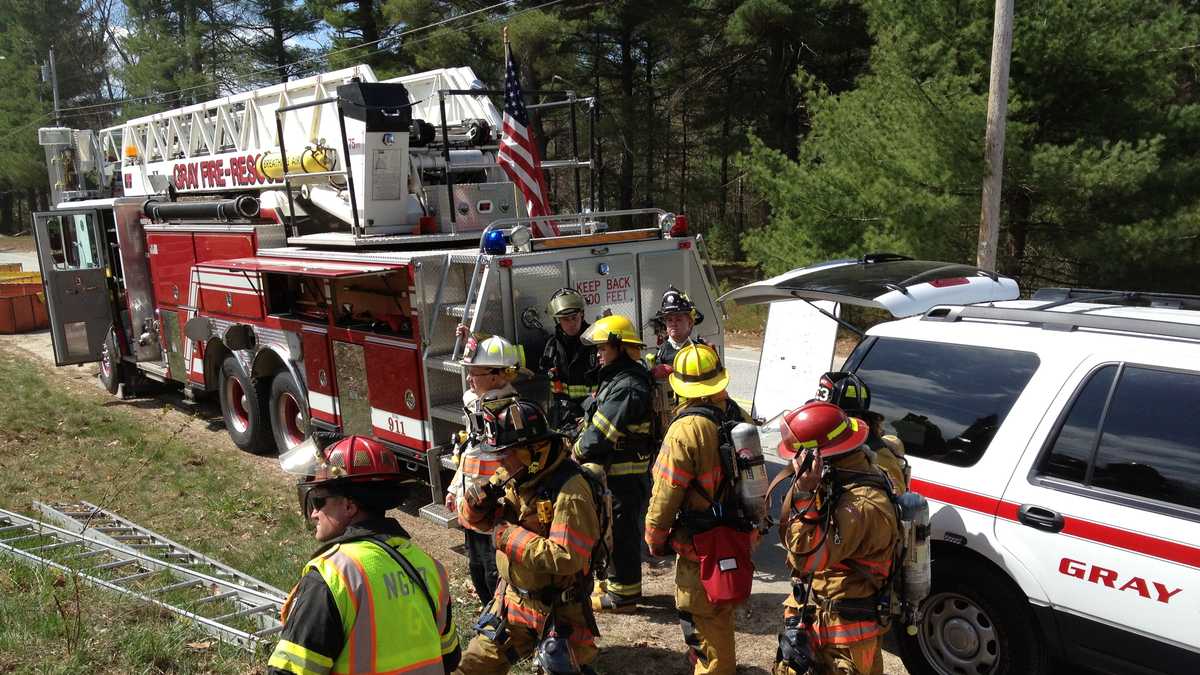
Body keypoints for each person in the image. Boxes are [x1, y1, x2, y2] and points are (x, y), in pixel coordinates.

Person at [270, 435, 461, 675]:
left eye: (319, 501)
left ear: (349, 506)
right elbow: (450, 658)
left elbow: (288, 672)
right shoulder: (430, 567)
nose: (313, 514)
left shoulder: (332, 576)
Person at [455, 399, 602, 675]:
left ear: (532, 452)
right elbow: (471, 521)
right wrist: (474, 507)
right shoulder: (513, 476)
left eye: (505, 453)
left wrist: (508, 536)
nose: (498, 461)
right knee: (467, 669)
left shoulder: (571, 492)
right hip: (512, 606)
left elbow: (567, 557)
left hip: (560, 612)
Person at [645, 343, 751, 675]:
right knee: (720, 613)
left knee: (707, 625)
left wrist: (654, 536)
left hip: (699, 544)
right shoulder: (737, 415)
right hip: (735, 535)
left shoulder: (685, 430)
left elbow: (666, 492)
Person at [773, 402, 900, 675]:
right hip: (821, 618)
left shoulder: (862, 505)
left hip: (846, 636)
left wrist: (805, 492)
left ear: (819, 457)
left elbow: (806, 557)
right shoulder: (840, 480)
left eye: (800, 455)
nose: (794, 462)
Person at [573, 313, 655, 612]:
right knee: (610, 529)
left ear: (620, 348)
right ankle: (613, 583)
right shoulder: (616, 378)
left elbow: (601, 435)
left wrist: (576, 450)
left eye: (603, 349)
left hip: (626, 472)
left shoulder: (629, 385)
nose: (598, 354)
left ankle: (625, 596)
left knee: (622, 533)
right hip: (616, 472)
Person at [447, 330, 523, 606]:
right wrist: (455, 489)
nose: (469, 379)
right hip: (472, 509)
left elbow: (517, 466)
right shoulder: (477, 408)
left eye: (474, 373)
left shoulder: (511, 414)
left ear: (496, 376)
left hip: (495, 513)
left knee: (495, 576)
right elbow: (470, 452)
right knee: (477, 572)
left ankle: (504, 628)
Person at [815, 372, 909, 493]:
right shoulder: (831, 451)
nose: (820, 424)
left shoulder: (881, 460)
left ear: (853, 420)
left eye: (829, 419)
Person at [538, 288, 597, 430]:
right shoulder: (552, 345)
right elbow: (543, 370)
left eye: (574, 318)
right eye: (565, 319)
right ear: (558, 320)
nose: (571, 323)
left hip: (592, 413)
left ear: (582, 315)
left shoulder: (595, 342)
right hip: (563, 415)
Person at [650, 286, 706, 370]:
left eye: (678, 319)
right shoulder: (660, 353)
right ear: (665, 324)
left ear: (690, 323)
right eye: (669, 320)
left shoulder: (700, 350)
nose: (673, 323)